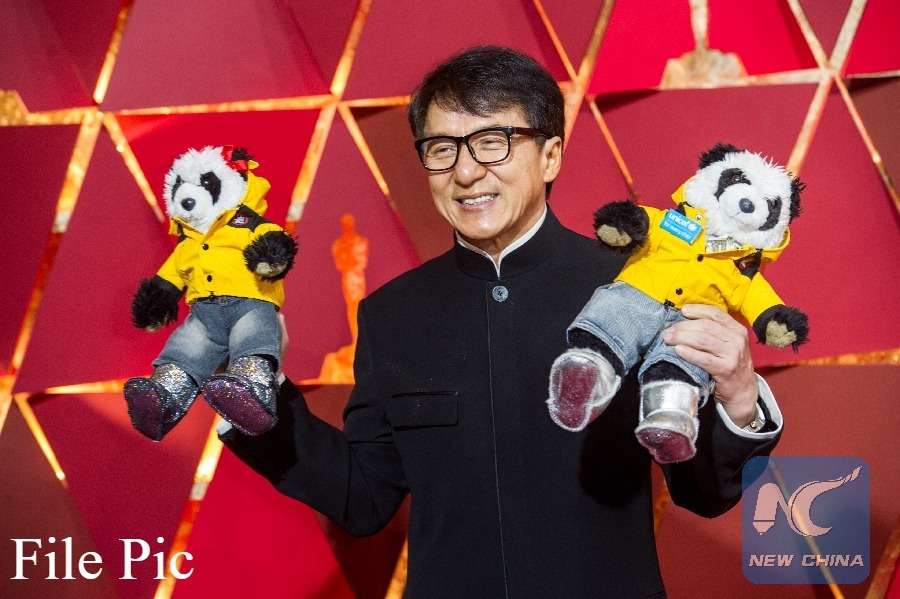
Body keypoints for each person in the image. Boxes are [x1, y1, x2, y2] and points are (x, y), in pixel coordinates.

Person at [220, 45, 782, 598]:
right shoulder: (391, 313)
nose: (466, 171)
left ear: (550, 155)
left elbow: (703, 492)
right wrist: (256, 395)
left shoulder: (636, 288)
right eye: (442, 148)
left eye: (493, 142)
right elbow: (363, 498)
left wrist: (738, 399)